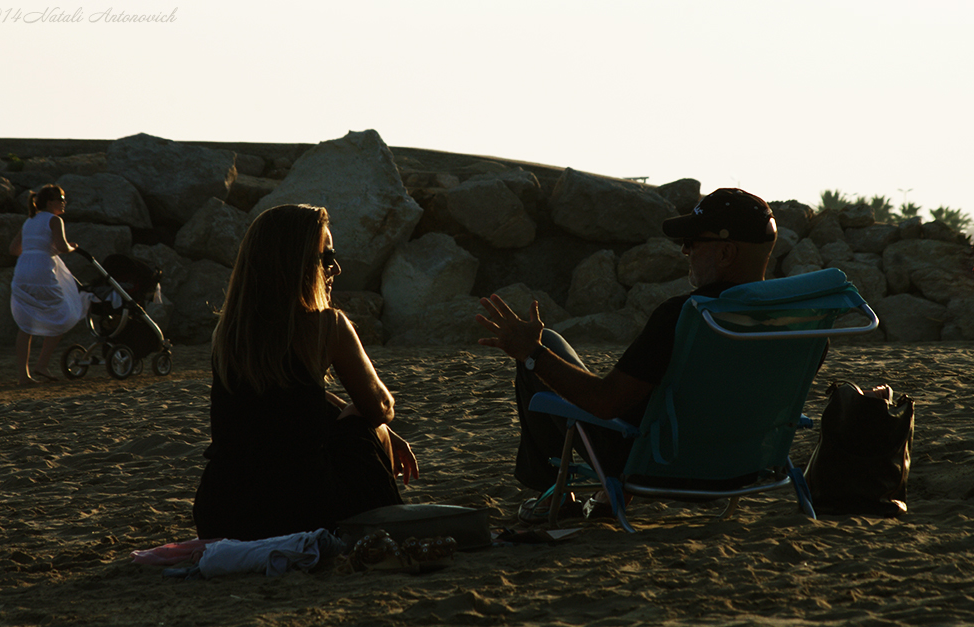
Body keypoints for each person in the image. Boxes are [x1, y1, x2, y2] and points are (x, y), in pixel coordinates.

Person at [476, 188, 778, 521]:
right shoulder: (795, 322)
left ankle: (556, 492)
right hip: (743, 465)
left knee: (543, 344)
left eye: (692, 242)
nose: (684, 251)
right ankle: (603, 498)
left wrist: (531, 353)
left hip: (658, 463)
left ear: (725, 252)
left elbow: (606, 403)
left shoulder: (686, 317)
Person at [192, 204, 419, 542]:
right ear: (296, 266)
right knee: (362, 416)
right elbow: (379, 408)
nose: (336, 268)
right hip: (304, 509)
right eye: (326, 258)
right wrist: (383, 429)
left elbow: (286, 395)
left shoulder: (229, 335)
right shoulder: (327, 327)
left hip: (224, 511)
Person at [9, 184, 92, 386]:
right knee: (62, 314)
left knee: (25, 324)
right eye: (60, 198)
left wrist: (33, 250)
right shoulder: (55, 220)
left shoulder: (29, 221)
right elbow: (63, 247)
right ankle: (42, 364)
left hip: (23, 269)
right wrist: (73, 247)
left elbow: (13, 249)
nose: (64, 202)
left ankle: (23, 376)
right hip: (41, 269)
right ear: (49, 202)